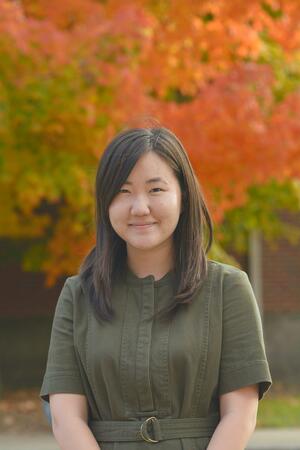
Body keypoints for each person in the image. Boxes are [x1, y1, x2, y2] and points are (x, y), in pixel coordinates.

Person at [40, 126, 272, 450]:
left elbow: (240, 413)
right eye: (122, 191)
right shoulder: (78, 295)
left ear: (183, 195)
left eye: (156, 190)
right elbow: (66, 418)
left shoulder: (228, 290)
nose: (139, 207)